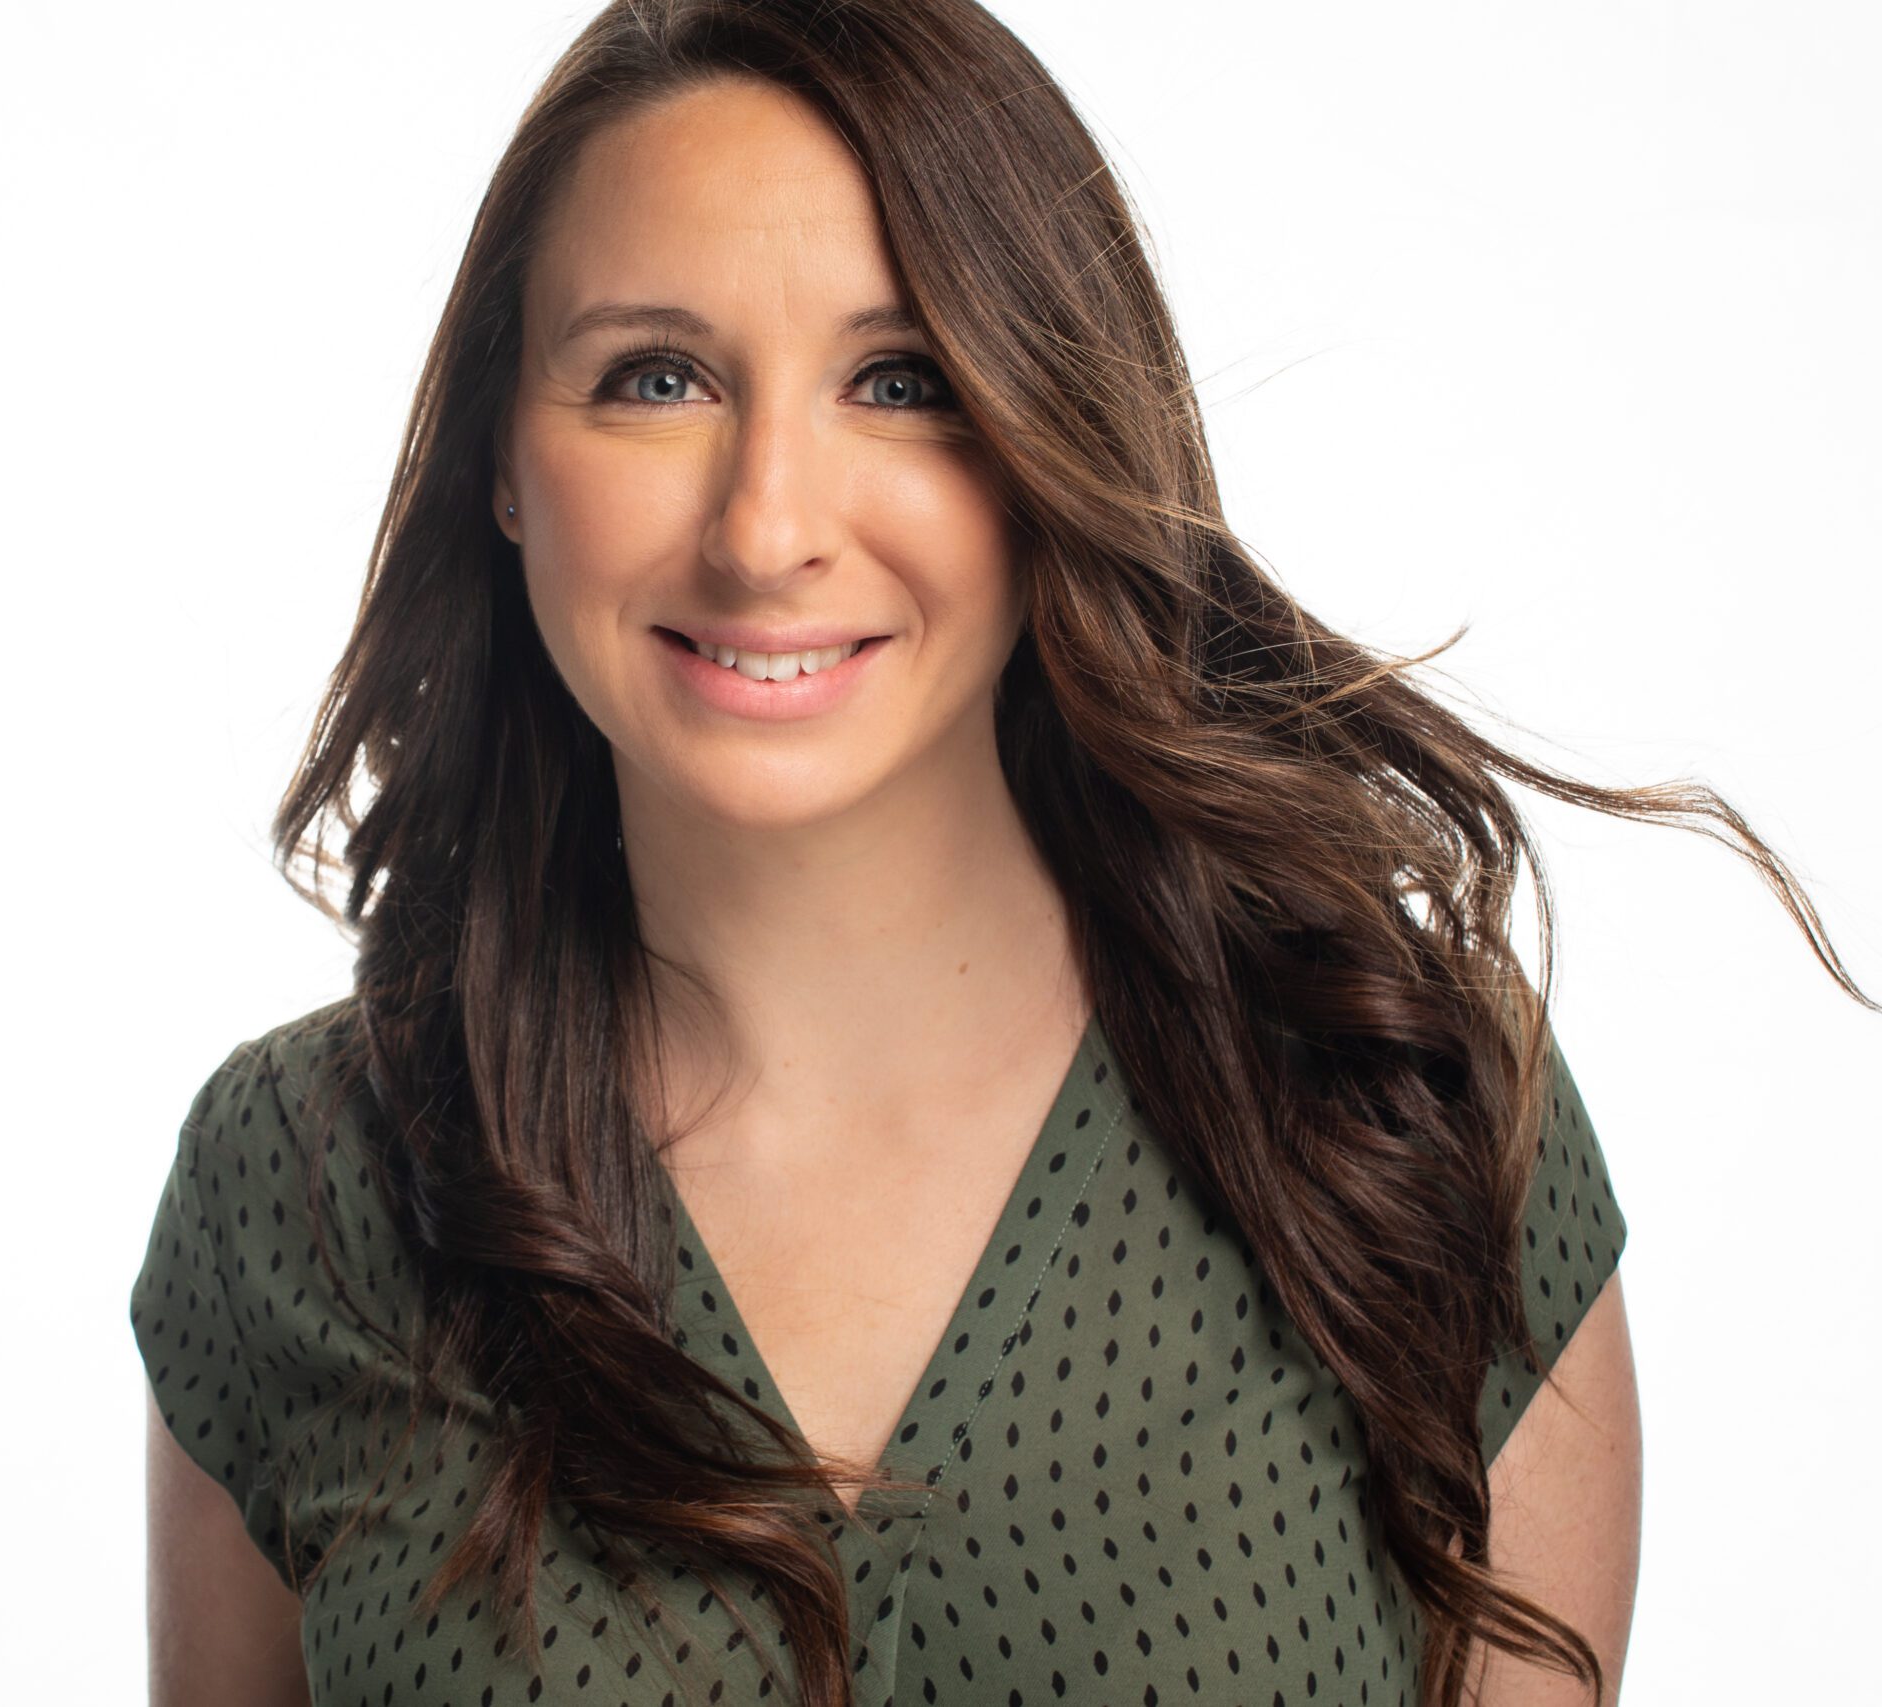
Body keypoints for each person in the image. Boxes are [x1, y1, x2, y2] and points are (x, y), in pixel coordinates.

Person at [131, 4, 1867, 1705]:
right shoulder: (299, 1190)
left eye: (901, 382)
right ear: (502, 459)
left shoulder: (1401, 1118)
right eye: (657, 378)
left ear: (1050, 440)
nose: (767, 528)